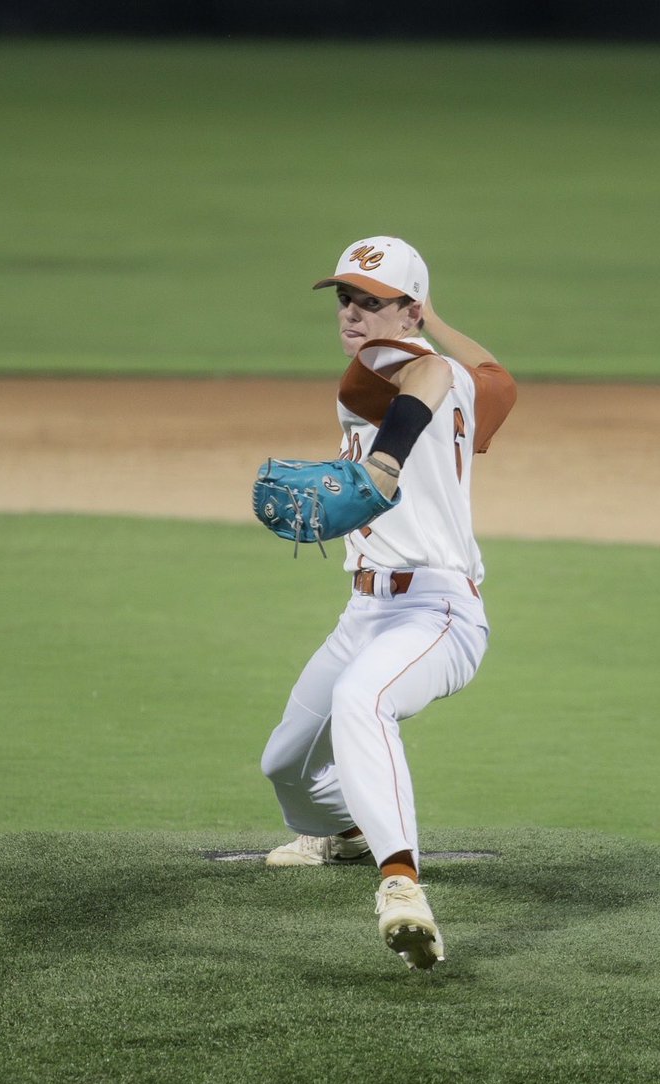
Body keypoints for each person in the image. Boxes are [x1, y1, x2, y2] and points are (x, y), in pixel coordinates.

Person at [259, 235, 517, 971]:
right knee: (286, 766)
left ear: (404, 309)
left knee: (361, 701)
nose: (351, 313)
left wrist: (384, 459)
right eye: (346, 298)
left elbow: (427, 375)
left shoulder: (389, 369)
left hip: (438, 613)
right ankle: (344, 831)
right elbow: (495, 376)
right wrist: (433, 319)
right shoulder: (471, 381)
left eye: (371, 302)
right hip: (364, 612)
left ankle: (400, 884)